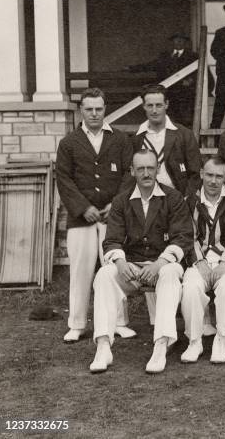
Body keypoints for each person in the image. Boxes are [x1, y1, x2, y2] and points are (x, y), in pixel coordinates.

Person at [89, 149, 193, 374]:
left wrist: (160, 263)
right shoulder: (121, 200)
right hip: (133, 267)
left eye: (150, 168)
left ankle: (161, 344)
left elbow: (183, 237)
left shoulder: (173, 198)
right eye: (141, 169)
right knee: (104, 275)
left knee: (171, 273)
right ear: (132, 171)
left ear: (157, 169)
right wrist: (120, 263)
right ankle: (104, 345)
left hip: (163, 265)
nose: (146, 173)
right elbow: (112, 240)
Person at [56, 88, 133, 343]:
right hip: (82, 219)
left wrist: (116, 204)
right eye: (89, 109)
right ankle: (77, 323)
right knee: (81, 270)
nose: (94, 114)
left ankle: (119, 321)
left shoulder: (121, 139)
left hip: (113, 217)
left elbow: (128, 175)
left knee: (114, 269)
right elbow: (64, 179)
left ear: (105, 108)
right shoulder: (69, 142)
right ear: (81, 111)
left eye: (99, 108)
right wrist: (83, 207)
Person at [180, 156, 225, 364]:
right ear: (202, 174)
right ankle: (195, 341)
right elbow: (187, 235)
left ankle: (221, 338)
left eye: (219, 176)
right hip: (198, 260)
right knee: (191, 287)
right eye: (209, 175)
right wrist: (198, 261)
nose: (213, 181)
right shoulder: (190, 200)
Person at [131, 84, 202, 197]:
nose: (154, 110)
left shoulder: (184, 134)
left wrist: (186, 199)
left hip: (178, 199)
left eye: (158, 105)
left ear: (166, 104)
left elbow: (195, 173)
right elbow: (131, 174)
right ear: (143, 106)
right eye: (150, 105)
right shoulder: (137, 138)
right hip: (146, 200)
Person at [129, 33, 211, 127]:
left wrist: (191, 80)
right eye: (176, 39)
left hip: (185, 96)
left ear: (185, 42)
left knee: (185, 122)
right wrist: (131, 68)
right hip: (168, 94)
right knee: (169, 120)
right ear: (172, 41)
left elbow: (203, 73)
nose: (179, 41)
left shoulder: (193, 57)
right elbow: (151, 65)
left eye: (181, 39)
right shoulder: (164, 56)